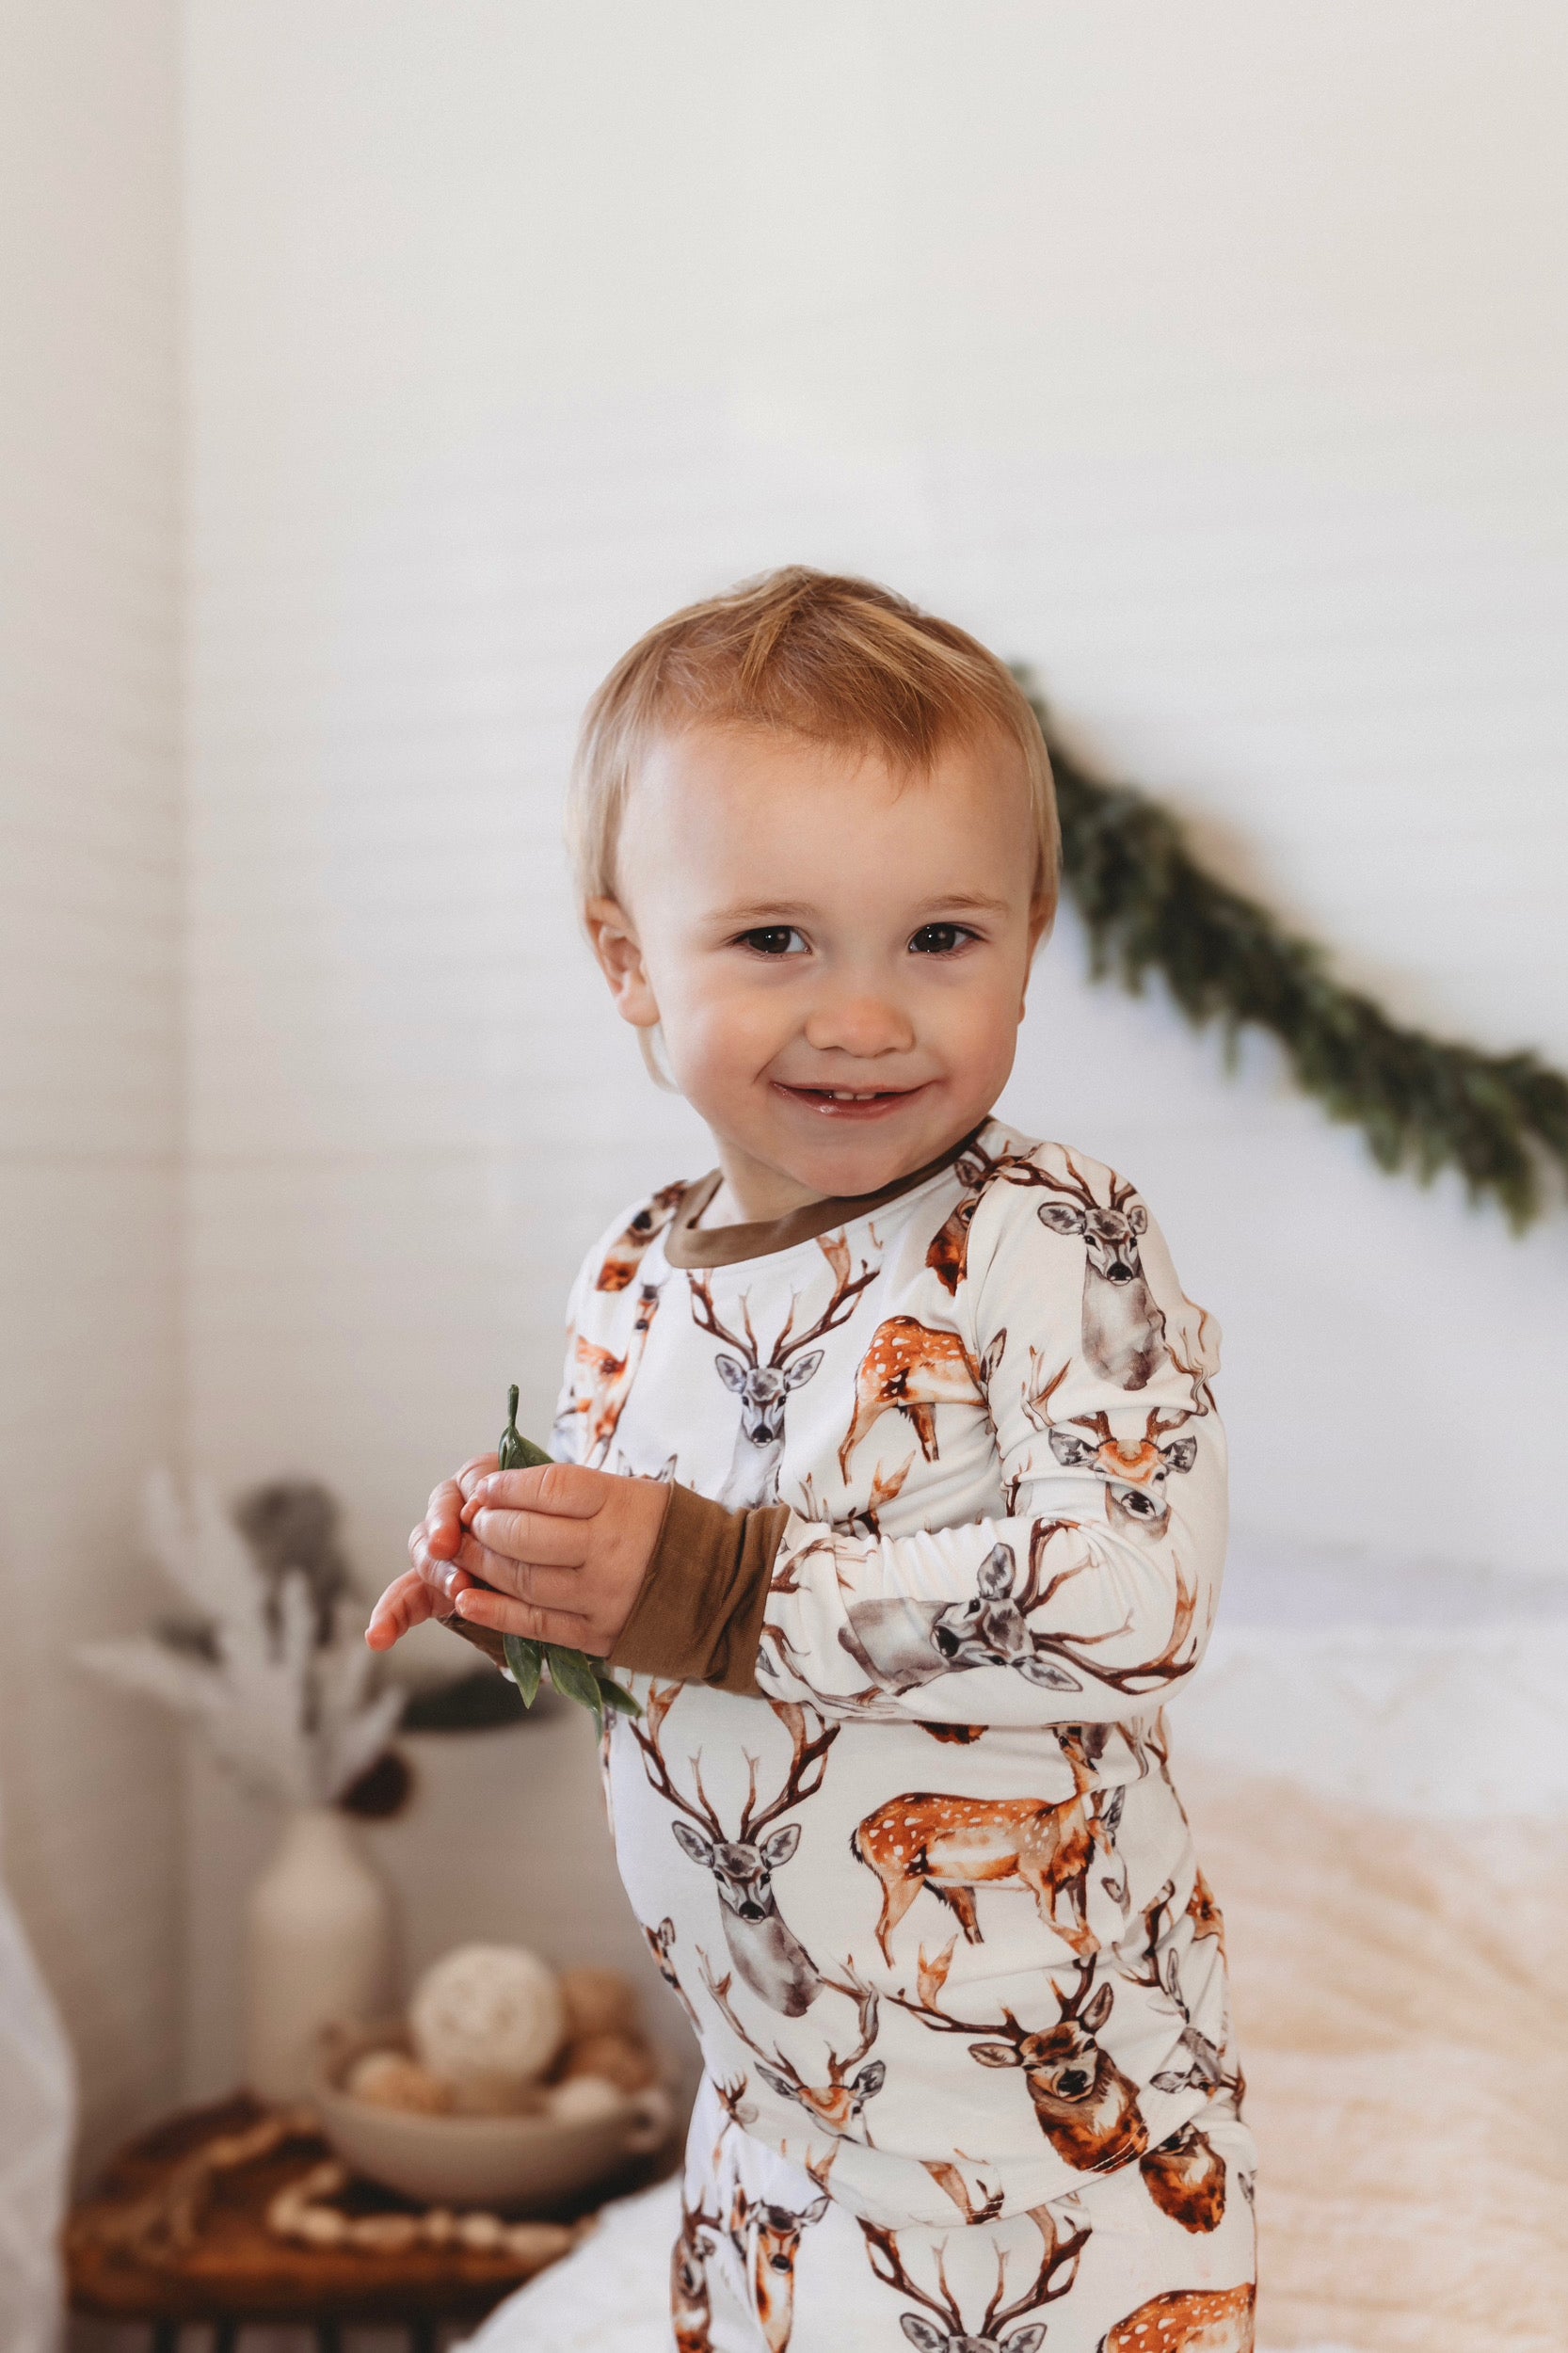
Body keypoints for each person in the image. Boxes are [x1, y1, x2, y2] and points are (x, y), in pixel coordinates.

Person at [366, 569, 1258, 2352]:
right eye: (776, 940)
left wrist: (702, 1576)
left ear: (1028, 930)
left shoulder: (1050, 1236)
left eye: (940, 939)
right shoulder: (626, 1275)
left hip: (1047, 2138)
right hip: (762, 2115)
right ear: (630, 959)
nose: (863, 1015)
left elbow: (1135, 1598)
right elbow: (671, 1634)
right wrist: (541, 1584)